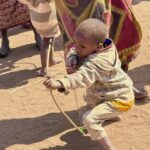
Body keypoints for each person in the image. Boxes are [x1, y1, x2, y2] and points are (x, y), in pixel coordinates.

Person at [44, 19, 135, 150]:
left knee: (89, 119)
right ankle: (111, 116)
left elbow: (81, 77)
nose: (76, 47)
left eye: (82, 46)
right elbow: (73, 51)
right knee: (83, 112)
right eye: (76, 42)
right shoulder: (104, 45)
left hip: (119, 99)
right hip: (105, 95)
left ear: (98, 47)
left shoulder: (97, 61)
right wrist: (73, 58)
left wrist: (59, 83)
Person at [19, 0, 62, 76]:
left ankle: (51, 60)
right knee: (46, 42)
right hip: (48, 21)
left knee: (50, 39)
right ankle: (44, 69)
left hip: (37, 20)